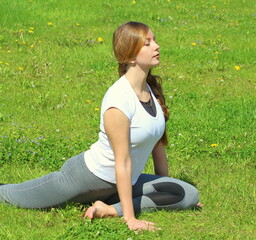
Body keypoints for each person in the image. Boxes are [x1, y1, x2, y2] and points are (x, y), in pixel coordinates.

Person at [0, 21, 200, 232]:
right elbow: (121, 162)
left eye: (155, 40)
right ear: (130, 56)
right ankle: (117, 207)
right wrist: (130, 219)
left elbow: (158, 149)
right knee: (10, 195)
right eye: (147, 43)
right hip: (87, 179)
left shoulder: (151, 91)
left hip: (124, 182)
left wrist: (166, 187)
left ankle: (109, 209)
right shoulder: (119, 100)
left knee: (188, 194)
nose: (156, 46)